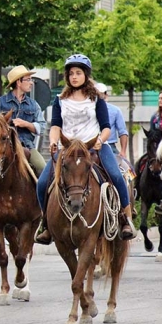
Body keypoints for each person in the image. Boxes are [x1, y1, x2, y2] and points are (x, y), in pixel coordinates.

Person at [35, 54, 135, 245]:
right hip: (68, 149)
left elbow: (106, 126)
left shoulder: (96, 99)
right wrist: (54, 140)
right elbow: (55, 124)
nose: (74, 77)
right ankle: (46, 225)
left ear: (86, 75)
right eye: (71, 73)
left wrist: (100, 140)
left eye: (78, 73)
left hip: (93, 147)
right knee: (41, 183)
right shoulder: (60, 100)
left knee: (116, 174)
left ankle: (125, 219)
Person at [0, 65, 47, 175]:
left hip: (27, 147)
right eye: (28, 79)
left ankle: (41, 192)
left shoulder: (34, 105)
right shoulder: (0, 103)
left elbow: (42, 128)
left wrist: (26, 124)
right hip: (2, 147)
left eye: (31, 80)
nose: (31, 83)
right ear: (18, 82)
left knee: (42, 168)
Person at [95, 82, 129, 158]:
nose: (99, 97)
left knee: (124, 167)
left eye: (101, 94)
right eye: (96, 94)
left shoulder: (115, 110)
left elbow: (122, 132)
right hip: (90, 146)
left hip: (109, 146)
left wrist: (123, 151)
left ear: (106, 95)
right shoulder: (88, 109)